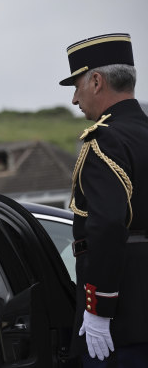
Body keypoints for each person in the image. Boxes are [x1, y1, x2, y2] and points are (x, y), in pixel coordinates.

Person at [59, 33, 148, 367]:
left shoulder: (105, 139)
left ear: (96, 81)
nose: (74, 99)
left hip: (120, 319)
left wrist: (99, 311)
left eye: (77, 86)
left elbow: (108, 227)